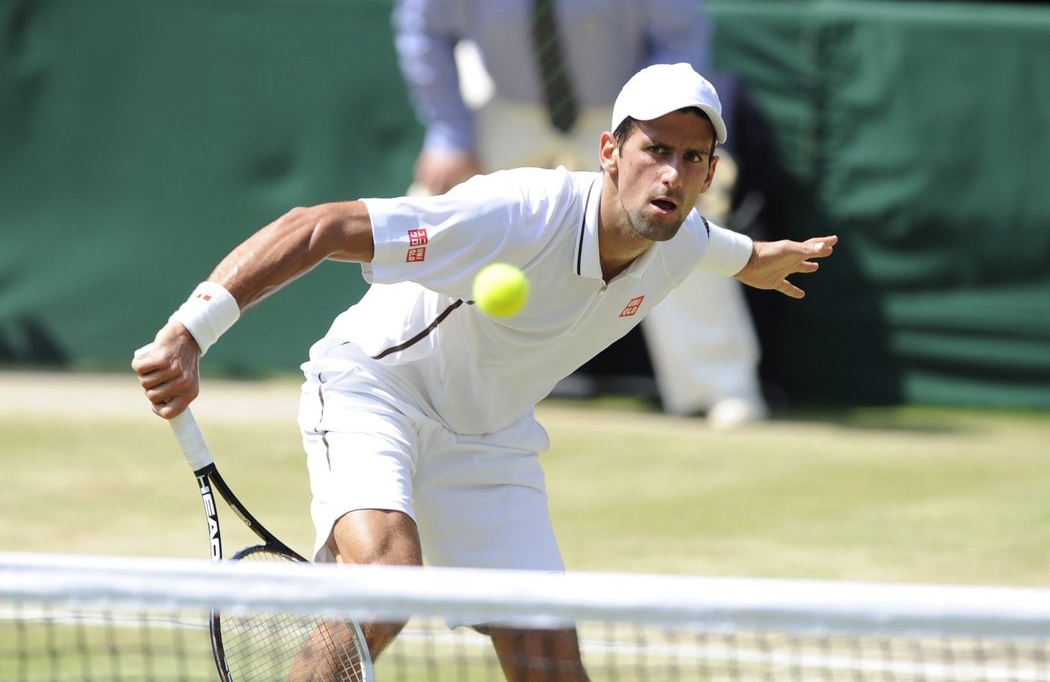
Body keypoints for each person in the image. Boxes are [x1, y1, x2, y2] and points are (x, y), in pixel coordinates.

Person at [133, 63, 837, 680]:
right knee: (382, 584)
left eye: (691, 158)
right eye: (654, 150)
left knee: (547, 655)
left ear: (711, 173)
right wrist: (191, 329)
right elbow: (319, 226)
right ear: (610, 152)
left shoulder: (682, 236)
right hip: (377, 391)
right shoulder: (514, 214)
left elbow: (719, 246)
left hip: (491, 434)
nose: (672, 174)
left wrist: (759, 260)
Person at [393, 0, 767, 425]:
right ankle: (398, 367)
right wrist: (450, 133)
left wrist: (660, 123)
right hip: (506, 103)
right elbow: (421, 27)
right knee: (436, 202)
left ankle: (720, 386)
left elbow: (680, 35)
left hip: (628, 114)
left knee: (680, 218)